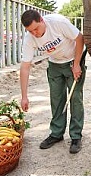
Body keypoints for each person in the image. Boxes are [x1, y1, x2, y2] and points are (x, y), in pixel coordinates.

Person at [20, 9, 86, 154]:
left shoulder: (58, 23)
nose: (35, 34)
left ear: (42, 20)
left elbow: (80, 38)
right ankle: (56, 133)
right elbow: (25, 67)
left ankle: (75, 136)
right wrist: (24, 96)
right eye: (30, 31)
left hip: (72, 60)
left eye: (36, 28)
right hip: (54, 64)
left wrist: (77, 64)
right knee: (56, 99)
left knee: (75, 98)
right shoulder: (29, 38)